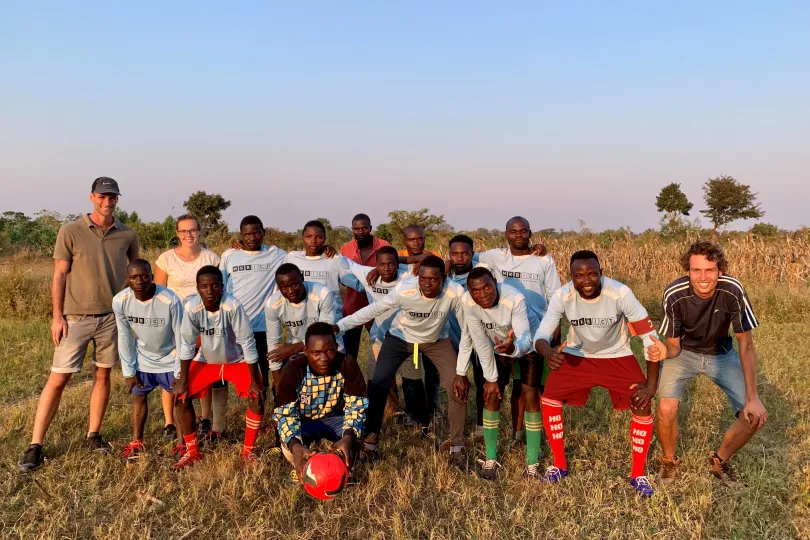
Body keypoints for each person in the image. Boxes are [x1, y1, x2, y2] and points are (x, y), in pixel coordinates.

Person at [18, 177, 139, 473]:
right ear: (92, 197)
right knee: (58, 379)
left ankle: (93, 434)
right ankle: (35, 445)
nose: (107, 202)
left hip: (112, 316)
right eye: (102, 196)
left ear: (117, 200)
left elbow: (136, 272)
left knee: (102, 376)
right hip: (75, 318)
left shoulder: (127, 234)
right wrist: (57, 316)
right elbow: (59, 274)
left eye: (112, 197)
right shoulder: (70, 231)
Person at [534, 250, 660, 497]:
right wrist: (549, 353)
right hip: (577, 355)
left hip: (617, 356)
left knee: (642, 403)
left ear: (601, 273)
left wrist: (651, 386)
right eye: (579, 276)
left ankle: (638, 474)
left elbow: (650, 339)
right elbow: (541, 336)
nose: (587, 280)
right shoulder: (564, 294)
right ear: (570, 277)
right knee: (549, 397)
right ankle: (559, 465)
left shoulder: (620, 293)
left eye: (593, 274)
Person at [651, 241, 767, 487]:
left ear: (720, 271)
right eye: (696, 270)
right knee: (666, 409)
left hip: (721, 354)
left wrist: (753, 397)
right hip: (683, 353)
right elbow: (673, 346)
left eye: (709, 270)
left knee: (753, 416)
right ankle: (669, 460)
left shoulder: (733, 290)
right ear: (688, 271)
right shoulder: (674, 294)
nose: (702, 277)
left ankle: (720, 460)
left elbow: (745, 345)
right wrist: (662, 352)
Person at [336, 256, 470, 469]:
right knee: (378, 385)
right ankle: (370, 446)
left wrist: (462, 372)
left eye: (433, 280)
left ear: (444, 279)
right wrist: (340, 325)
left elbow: (467, 331)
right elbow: (374, 310)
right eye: (423, 279)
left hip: (436, 341)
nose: (427, 284)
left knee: (458, 388)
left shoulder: (455, 292)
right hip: (399, 338)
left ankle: (457, 449)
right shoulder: (405, 289)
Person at [454, 268, 544, 480]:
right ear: (469, 291)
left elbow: (524, 338)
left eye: (487, 287)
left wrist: (512, 349)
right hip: (497, 347)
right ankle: (491, 459)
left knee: (530, 396)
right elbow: (480, 341)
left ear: (495, 282)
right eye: (476, 290)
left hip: (526, 346)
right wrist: (491, 379)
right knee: (491, 395)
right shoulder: (468, 303)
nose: (483, 294)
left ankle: (532, 463)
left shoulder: (514, 299)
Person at [476, 217, 560, 442]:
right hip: (504, 332)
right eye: (513, 232)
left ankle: (527, 435)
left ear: (530, 233)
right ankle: (515, 434)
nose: (519, 235)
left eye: (523, 231)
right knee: (505, 386)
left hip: (536, 333)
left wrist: (555, 329)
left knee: (530, 389)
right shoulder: (493, 257)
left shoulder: (544, 260)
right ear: (506, 235)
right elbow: (463, 258)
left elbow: (554, 296)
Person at [172, 266, 264, 468]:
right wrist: (182, 379)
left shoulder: (233, 306)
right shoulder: (192, 307)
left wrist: (255, 381)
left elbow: (248, 342)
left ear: (222, 286)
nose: (210, 290)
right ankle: (192, 452)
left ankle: (248, 451)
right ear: (197, 288)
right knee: (181, 396)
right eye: (204, 286)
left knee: (257, 396)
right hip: (207, 360)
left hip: (236, 360)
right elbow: (187, 344)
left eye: (215, 285)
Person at [154, 213, 221, 442]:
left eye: (192, 230)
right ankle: (169, 422)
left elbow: (219, 290)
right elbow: (158, 294)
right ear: (177, 233)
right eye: (183, 231)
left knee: (203, 368)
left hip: (205, 321)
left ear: (199, 231)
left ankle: (204, 419)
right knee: (172, 371)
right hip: (175, 322)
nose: (188, 235)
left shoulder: (211, 258)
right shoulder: (166, 259)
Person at [272, 323, 368, 483]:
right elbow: (285, 414)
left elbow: (356, 406)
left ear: (336, 347)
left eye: (329, 351)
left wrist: (349, 435)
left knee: (357, 435)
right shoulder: (293, 370)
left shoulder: (347, 363)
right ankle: (301, 466)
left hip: (334, 418)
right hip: (303, 422)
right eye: (316, 352)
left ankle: (344, 468)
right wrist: (295, 445)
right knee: (289, 445)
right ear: (305, 352)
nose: (323, 359)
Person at [219, 215, 286, 435]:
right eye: (246, 234)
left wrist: (327, 250)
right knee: (240, 378)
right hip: (235, 329)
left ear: (263, 232)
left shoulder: (276, 254)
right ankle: (218, 424)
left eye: (256, 232)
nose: (252, 237)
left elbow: (304, 259)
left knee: (267, 376)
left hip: (265, 328)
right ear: (240, 235)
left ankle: (275, 421)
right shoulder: (230, 255)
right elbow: (221, 287)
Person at [112, 260, 183, 461]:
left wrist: (179, 372)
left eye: (144, 276)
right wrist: (128, 371)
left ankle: (181, 443)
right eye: (134, 277)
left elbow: (181, 336)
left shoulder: (170, 300)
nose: (140, 281)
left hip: (170, 358)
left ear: (152, 277)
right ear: (128, 279)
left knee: (179, 400)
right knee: (138, 397)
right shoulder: (120, 301)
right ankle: (137, 441)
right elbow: (124, 336)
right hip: (143, 360)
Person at [341, 245, 416, 417]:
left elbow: (428, 260)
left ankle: (414, 417)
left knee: (412, 379)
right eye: (381, 265)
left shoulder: (409, 274)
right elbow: (345, 262)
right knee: (377, 377)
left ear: (398, 264)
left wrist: (402, 261)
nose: (387, 268)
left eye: (391, 264)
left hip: (409, 337)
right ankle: (390, 412)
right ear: (376, 264)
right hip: (379, 337)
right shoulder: (368, 274)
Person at [264, 263, 336, 388]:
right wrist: (277, 382)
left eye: (294, 284)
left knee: (327, 390)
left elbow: (326, 333)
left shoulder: (322, 294)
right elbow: (273, 342)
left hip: (327, 347)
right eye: (284, 288)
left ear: (302, 278)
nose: (290, 291)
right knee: (290, 388)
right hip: (299, 349)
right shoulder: (272, 304)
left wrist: (293, 348)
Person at [282, 220, 365, 327]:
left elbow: (358, 284)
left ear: (325, 239)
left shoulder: (334, 259)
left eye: (319, 237)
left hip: (331, 324)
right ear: (302, 237)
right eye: (308, 236)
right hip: (301, 324)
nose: (313, 241)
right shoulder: (292, 258)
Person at [339, 213, 391, 360]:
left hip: (378, 307)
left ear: (370, 228)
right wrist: (360, 284)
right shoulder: (346, 248)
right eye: (357, 229)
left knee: (380, 349)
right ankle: (352, 382)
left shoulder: (383, 245)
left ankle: (379, 381)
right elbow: (342, 276)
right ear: (352, 229)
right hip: (352, 306)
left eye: (364, 228)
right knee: (350, 353)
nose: (360, 232)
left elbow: (392, 270)